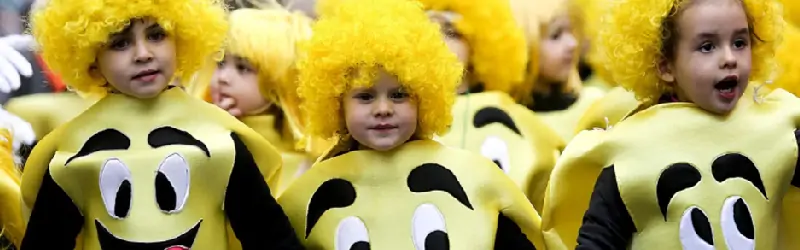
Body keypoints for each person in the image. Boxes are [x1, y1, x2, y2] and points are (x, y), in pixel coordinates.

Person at [20, 0, 303, 248]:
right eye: (120, 42)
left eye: (156, 35)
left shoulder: (219, 139)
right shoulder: (74, 152)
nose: (143, 53)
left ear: (180, 39)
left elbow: (269, 237)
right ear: (92, 60)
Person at [276, 0, 545, 248]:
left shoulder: (470, 176)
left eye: (399, 94)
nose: (383, 109)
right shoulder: (316, 189)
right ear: (336, 103)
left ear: (424, 98)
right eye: (365, 96)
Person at [541, 0, 789, 249]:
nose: (729, 58)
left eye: (739, 43)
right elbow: (597, 241)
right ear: (665, 66)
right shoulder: (633, 151)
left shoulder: (775, 127)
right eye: (707, 47)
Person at [509, 0, 606, 142]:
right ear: (525, 44)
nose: (572, 43)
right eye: (556, 35)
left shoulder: (596, 106)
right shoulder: (506, 120)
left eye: (571, 31)